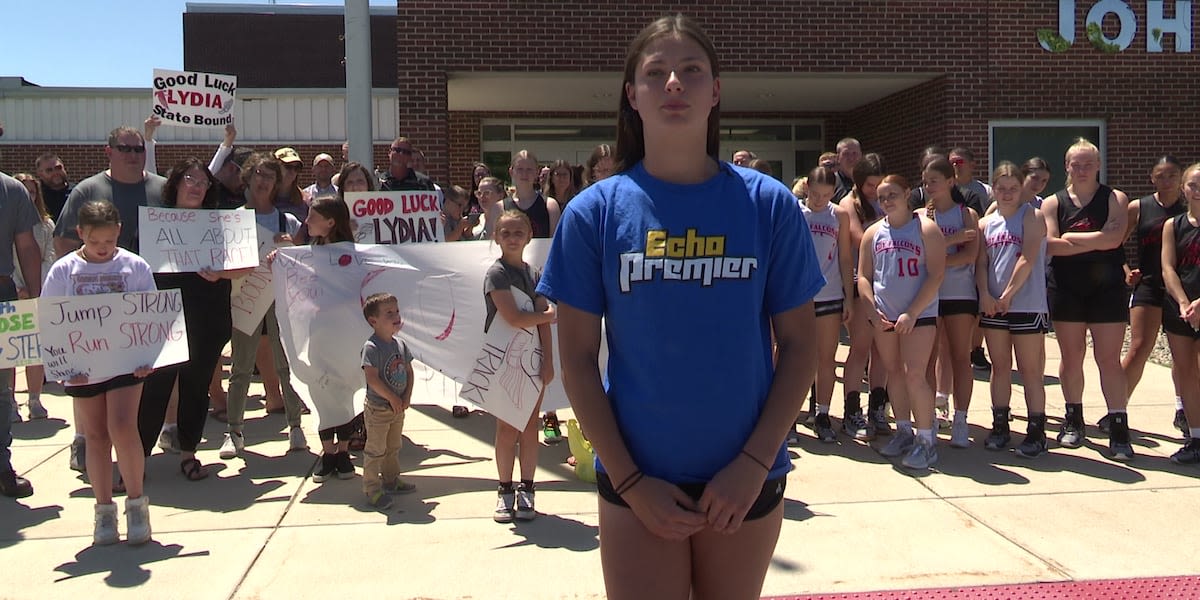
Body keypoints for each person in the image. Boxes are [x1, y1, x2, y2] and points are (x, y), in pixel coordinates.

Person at [538, 16, 822, 599]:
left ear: (715, 91)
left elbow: (800, 346)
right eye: (656, 72)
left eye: (691, 70)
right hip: (637, 478)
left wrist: (752, 462)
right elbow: (577, 362)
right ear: (632, 94)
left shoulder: (768, 205)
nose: (674, 83)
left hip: (747, 475)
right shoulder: (593, 214)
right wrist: (631, 479)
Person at [52, 125, 166, 474]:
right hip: (89, 312)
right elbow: (63, 242)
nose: (133, 154)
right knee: (87, 380)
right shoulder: (89, 189)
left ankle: (139, 454)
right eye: (125, 148)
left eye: (138, 149)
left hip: (142, 302)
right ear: (109, 151)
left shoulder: (161, 189)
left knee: (129, 398)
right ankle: (83, 439)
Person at [42, 200, 155, 544]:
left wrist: (147, 355)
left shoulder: (134, 266)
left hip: (126, 363)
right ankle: (104, 510)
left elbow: (151, 314)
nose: (103, 249)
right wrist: (62, 367)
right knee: (95, 435)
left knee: (122, 426)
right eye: (95, 243)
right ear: (81, 234)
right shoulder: (63, 271)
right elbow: (49, 320)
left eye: (108, 242)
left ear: (119, 231)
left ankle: (136, 504)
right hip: (83, 367)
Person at [135, 159, 247, 481]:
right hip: (162, 318)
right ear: (175, 184)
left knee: (196, 388)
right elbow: (135, 267)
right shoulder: (154, 222)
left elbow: (245, 265)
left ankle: (189, 453)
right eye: (190, 179)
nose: (196, 186)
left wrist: (220, 274)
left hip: (207, 317)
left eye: (203, 182)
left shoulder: (221, 224)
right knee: (155, 388)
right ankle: (138, 457)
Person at [1043, 138, 1133, 461]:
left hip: (1107, 288)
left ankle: (1119, 426)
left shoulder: (1115, 199)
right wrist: (1098, 240)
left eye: (1087, 164)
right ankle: (1073, 418)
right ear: (1067, 166)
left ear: (1098, 165)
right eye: (1075, 164)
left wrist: (1074, 239)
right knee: (1071, 355)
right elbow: (1052, 245)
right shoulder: (1052, 203)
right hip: (1066, 287)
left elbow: (1114, 240)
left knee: (1108, 359)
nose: (1081, 170)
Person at [218, 153, 308, 461]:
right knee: (241, 365)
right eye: (258, 173)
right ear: (248, 177)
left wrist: (291, 249)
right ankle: (234, 430)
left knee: (286, 365)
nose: (263, 180)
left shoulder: (288, 221)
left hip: (279, 298)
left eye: (270, 176)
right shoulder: (232, 218)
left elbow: (302, 265)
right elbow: (223, 264)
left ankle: (296, 426)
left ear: (277, 183)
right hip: (245, 296)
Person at [859, 174, 946, 470]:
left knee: (914, 375)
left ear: (907, 193)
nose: (886, 201)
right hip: (885, 316)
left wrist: (912, 312)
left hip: (918, 315)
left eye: (892, 195)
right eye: (882, 197)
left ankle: (926, 440)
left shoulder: (926, 229)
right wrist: (871, 309)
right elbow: (864, 277)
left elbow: (936, 275)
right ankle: (904, 431)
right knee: (893, 372)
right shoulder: (873, 233)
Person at [485, 209, 556, 522]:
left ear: (529, 236)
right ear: (496, 237)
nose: (512, 238)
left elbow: (543, 325)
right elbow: (513, 317)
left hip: (533, 360)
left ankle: (527, 488)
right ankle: (504, 489)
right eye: (506, 233)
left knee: (530, 427)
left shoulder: (533, 274)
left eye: (518, 232)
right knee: (506, 428)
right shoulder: (496, 274)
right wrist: (548, 315)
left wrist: (549, 362)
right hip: (503, 358)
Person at [976, 162, 1050, 456]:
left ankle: (1036, 430)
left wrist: (1008, 294)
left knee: (1030, 370)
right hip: (993, 305)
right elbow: (981, 263)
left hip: (1026, 304)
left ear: (1022, 189)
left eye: (1013, 189)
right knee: (1000, 366)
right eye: (1001, 188)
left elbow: (1027, 258)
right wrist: (985, 293)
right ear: (993, 189)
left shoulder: (1032, 216)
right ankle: (1000, 424)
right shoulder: (985, 223)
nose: (1007, 194)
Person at [1118, 156, 1187, 436]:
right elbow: (1115, 243)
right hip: (1148, 284)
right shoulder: (1139, 207)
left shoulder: (1189, 207)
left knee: (1184, 357)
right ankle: (1117, 410)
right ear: (1152, 177)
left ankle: (1184, 409)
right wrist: (1126, 271)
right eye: (1161, 175)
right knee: (1138, 348)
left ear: (1180, 178)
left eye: (1172, 175)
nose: (1166, 180)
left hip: (1184, 288)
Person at [503, 151, 564, 443]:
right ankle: (511, 414)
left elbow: (556, 246)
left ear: (537, 172)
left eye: (531, 169)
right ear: (512, 170)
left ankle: (549, 417)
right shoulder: (501, 206)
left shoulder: (549, 205)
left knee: (545, 348)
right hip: (510, 286)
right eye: (521, 168)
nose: (525, 173)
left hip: (540, 284)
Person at [922, 157, 980, 447]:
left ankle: (960, 418)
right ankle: (930, 418)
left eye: (934, 180)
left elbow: (970, 256)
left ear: (950, 181)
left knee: (960, 357)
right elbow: (922, 256)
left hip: (960, 293)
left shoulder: (966, 214)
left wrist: (939, 257)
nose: (929, 186)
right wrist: (950, 240)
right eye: (925, 181)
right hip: (930, 295)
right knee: (929, 359)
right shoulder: (922, 216)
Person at [305, 196, 360, 483]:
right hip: (319, 332)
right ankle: (327, 453)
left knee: (344, 388)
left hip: (345, 333)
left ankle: (343, 452)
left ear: (330, 222)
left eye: (312, 217)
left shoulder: (353, 253)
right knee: (321, 388)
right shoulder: (309, 252)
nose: (306, 222)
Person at [799, 166, 855, 443]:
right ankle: (788, 419)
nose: (820, 200)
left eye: (826, 195)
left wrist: (848, 295)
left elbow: (845, 257)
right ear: (806, 186)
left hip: (829, 292)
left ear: (833, 192)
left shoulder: (839, 215)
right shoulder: (796, 211)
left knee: (826, 358)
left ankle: (822, 414)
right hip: (798, 295)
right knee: (792, 358)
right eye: (815, 194)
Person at [0, 171, 43, 498]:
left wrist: (37, 301)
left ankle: (2, 465)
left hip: (2, 295)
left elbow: (27, 246)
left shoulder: (11, 190)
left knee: (1, 389)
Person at [842, 153, 891, 435]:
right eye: (869, 185)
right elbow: (860, 239)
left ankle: (877, 408)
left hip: (888, 284)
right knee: (860, 347)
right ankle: (852, 411)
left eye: (879, 184)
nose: (874, 190)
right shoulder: (850, 204)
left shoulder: (888, 200)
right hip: (862, 282)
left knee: (882, 353)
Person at [360, 292, 417, 510]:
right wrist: (392, 397)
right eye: (389, 313)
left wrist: (407, 395)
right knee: (376, 450)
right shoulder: (372, 347)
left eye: (397, 311)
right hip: (378, 408)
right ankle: (372, 489)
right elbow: (372, 379)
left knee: (393, 446)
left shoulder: (400, 345)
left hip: (397, 407)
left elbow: (409, 371)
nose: (395, 316)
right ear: (373, 321)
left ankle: (391, 480)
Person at [1160, 162, 1200, 463]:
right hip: (1181, 308)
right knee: (1186, 372)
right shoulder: (1173, 225)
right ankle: (1195, 437)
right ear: (1184, 189)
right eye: (1193, 185)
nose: (1198, 191)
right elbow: (1168, 267)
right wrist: (1184, 303)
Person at [10, 173, 55, 420]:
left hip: (37, 294)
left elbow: (50, 256)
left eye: (33, 191)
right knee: (10, 350)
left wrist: (35, 286)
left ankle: (35, 399)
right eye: (23, 190)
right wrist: (18, 287)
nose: (29, 195)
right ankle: (11, 402)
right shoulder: (6, 220)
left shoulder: (46, 225)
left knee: (35, 350)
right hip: (12, 294)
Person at [273, 147, 309, 222]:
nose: (292, 171)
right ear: (276, 167)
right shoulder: (263, 199)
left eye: (297, 168)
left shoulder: (306, 200)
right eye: (288, 166)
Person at [33, 153, 72, 221]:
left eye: (58, 168)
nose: (55, 173)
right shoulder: (37, 195)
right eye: (49, 170)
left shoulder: (76, 192)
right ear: (40, 174)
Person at [832, 137, 862, 203]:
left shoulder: (868, 181)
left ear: (861, 155)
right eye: (846, 154)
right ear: (837, 158)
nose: (851, 158)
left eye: (855, 153)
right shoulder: (830, 182)